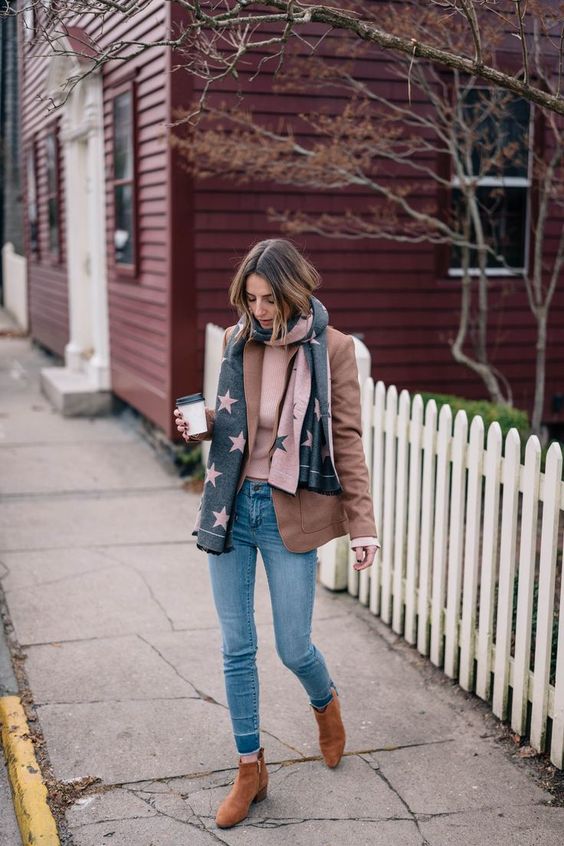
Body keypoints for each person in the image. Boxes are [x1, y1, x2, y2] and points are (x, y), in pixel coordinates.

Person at [173, 238, 380, 829]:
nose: (258, 310)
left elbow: (347, 442)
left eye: (268, 299)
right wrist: (204, 423)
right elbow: (236, 422)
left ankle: (325, 703)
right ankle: (250, 769)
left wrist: (362, 526)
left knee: (293, 646)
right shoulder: (238, 341)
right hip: (232, 509)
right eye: (250, 298)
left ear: (294, 291)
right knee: (237, 647)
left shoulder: (332, 350)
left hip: (290, 512)